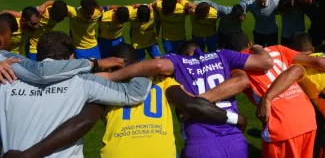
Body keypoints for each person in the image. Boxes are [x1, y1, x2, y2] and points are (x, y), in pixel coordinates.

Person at [5, 43, 248, 158]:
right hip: (159, 153)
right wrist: (235, 118)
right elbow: (193, 105)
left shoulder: (104, 86)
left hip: (118, 154)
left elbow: (83, 123)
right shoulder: (161, 81)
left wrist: (30, 153)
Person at [0, 30, 151, 157]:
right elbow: (135, 93)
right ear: (72, 56)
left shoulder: (6, 79)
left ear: (38, 54)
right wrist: (141, 69)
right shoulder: (83, 82)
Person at [222, 32, 325, 158]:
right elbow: (319, 63)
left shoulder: (235, 66)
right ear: (250, 43)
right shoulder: (278, 49)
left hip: (280, 124)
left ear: (228, 51)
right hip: (307, 118)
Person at [160, 40, 273, 158]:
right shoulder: (223, 57)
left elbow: (156, 65)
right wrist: (257, 47)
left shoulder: (178, 64)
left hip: (199, 143)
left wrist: (193, 103)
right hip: (234, 140)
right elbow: (262, 64)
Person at [1, 0, 71, 59]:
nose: (37, 26)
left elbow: (55, 3)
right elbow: (5, 12)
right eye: (34, 24)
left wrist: (44, 4)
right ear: (24, 20)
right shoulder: (13, 25)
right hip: (28, 50)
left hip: (23, 54)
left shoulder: (32, 24)